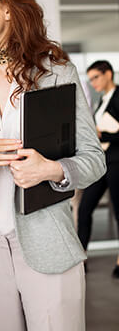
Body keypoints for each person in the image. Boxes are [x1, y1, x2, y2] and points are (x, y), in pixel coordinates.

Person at [0, 0, 106, 331]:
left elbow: (93, 160)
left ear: (8, 7)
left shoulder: (57, 72)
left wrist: (51, 169)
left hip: (47, 240)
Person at [78, 60, 119, 278]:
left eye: (96, 77)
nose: (93, 83)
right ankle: (80, 257)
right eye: (90, 79)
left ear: (108, 74)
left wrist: (104, 135)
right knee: (85, 208)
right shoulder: (101, 101)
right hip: (101, 163)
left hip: (116, 162)